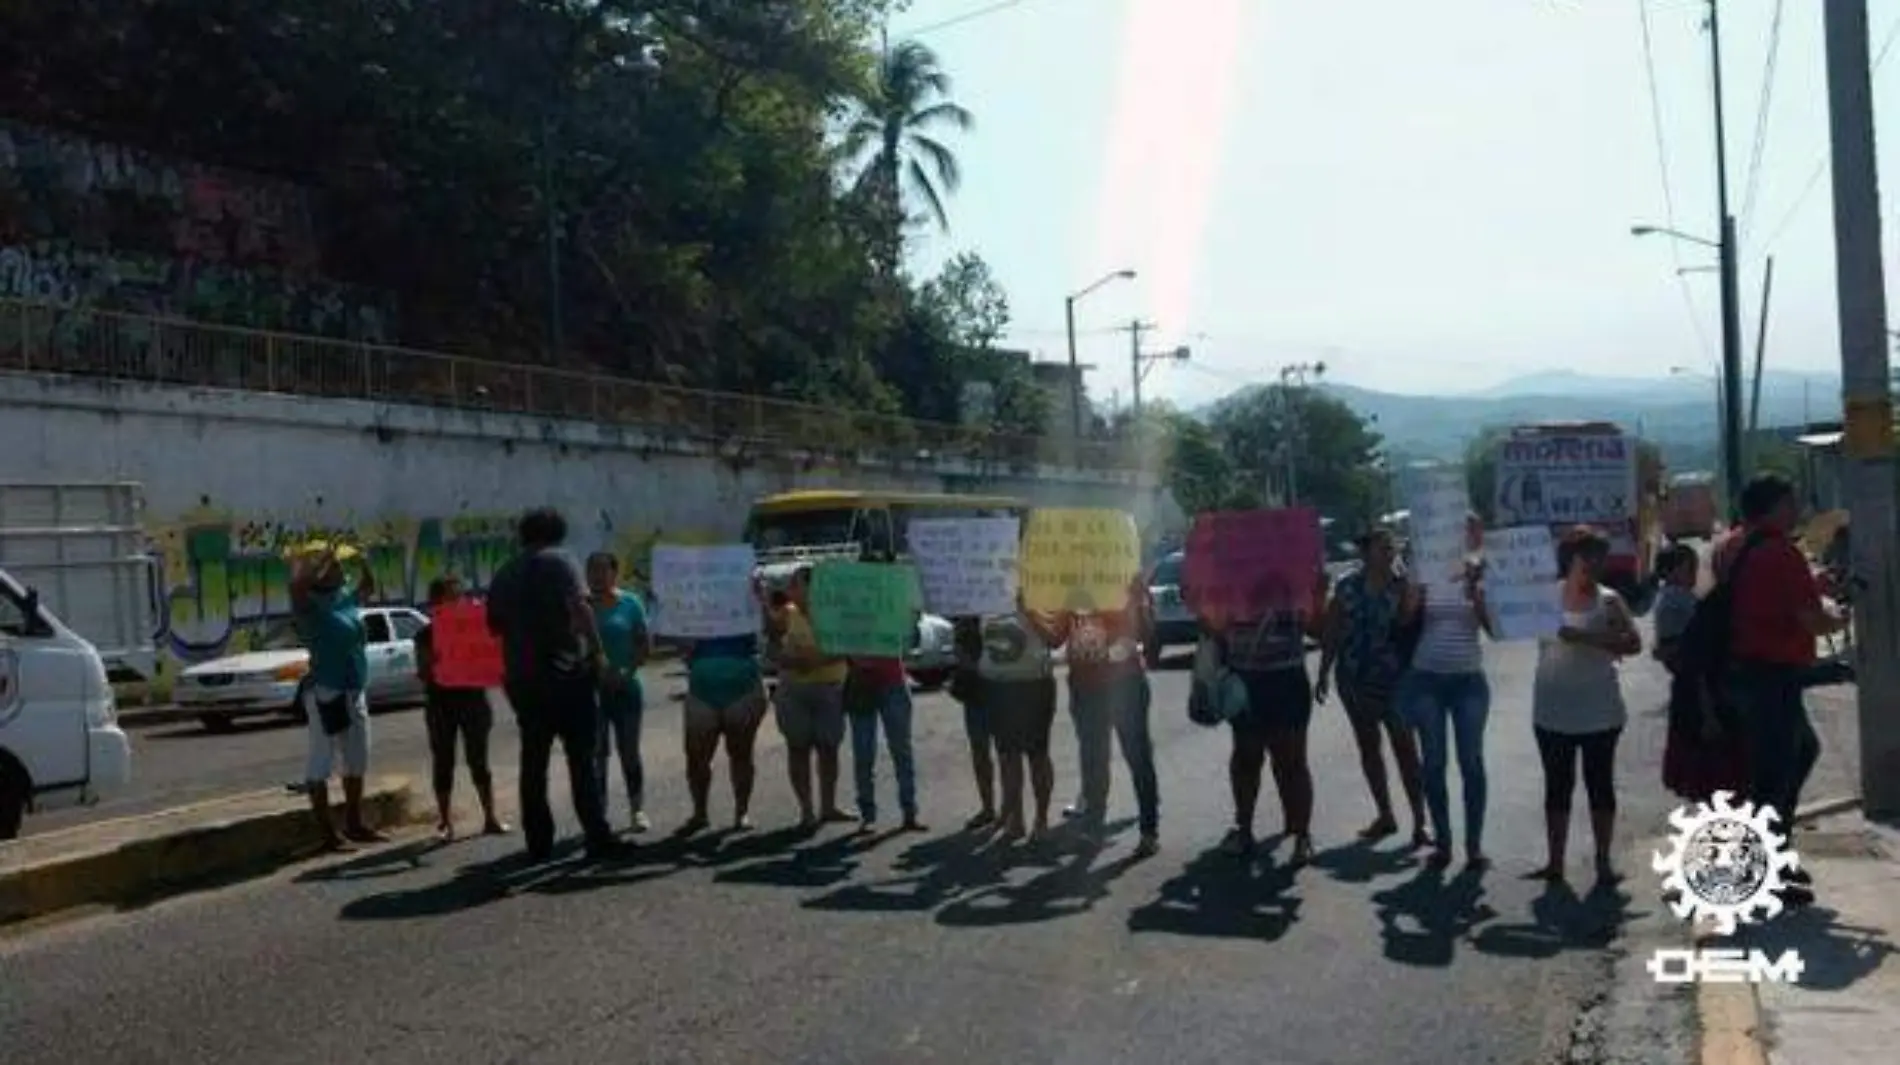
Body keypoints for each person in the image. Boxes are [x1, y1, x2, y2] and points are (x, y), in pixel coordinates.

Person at [1719, 474, 1848, 905]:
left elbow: (1766, 599)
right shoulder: (1780, 551)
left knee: (1792, 757)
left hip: (1742, 673)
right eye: (1791, 503)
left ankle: (1772, 854)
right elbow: (1811, 620)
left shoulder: (1735, 544)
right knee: (1774, 774)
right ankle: (1763, 873)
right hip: (1771, 676)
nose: (1797, 511)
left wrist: (1813, 588)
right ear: (1774, 506)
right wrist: (1841, 618)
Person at [485, 508, 624, 862]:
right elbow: (579, 606)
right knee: (582, 759)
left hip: (522, 679)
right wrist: (597, 652)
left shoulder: (504, 572)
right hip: (566, 674)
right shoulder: (561, 561)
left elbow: (494, 626)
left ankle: (538, 842)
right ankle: (597, 835)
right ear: (557, 533)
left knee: (534, 761)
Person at [1528, 527, 1640, 885]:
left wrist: (1586, 638)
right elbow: (1503, 625)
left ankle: (1603, 860)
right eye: (1586, 556)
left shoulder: (1609, 601)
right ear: (1570, 559)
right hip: (1552, 710)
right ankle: (1555, 862)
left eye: (1599, 557)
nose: (1593, 564)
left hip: (1599, 711)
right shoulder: (1544, 598)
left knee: (1599, 784)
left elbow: (1633, 643)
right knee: (1557, 787)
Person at [1201, 571, 1327, 866]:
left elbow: (1317, 629)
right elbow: (1214, 628)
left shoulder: (1295, 578)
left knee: (1292, 761)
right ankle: (1244, 829)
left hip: (1287, 678)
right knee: (1246, 757)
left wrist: (1317, 598)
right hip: (1246, 679)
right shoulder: (1231, 579)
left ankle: (1302, 835)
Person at [1030, 576, 1161, 857]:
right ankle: (1093, 829)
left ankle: (1149, 831)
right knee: (1093, 760)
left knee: (1137, 756)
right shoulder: (1071, 590)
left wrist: (1139, 603)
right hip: (1085, 688)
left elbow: (1146, 635)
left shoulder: (1124, 577)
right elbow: (1055, 639)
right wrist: (1032, 613)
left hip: (1125, 685)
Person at [1395, 511, 1496, 871]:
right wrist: (1416, 590)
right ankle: (1443, 842)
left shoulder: (1484, 573)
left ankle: (1473, 846)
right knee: (1434, 764)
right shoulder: (1425, 568)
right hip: (1427, 679)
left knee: (1472, 763)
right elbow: (1405, 619)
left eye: (1472, 530)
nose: (1466, 536)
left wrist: (1477, 594)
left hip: (1469, 680)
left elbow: (1496, 630)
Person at [1317, 528, 1428, 848]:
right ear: (1365, 552)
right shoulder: (1347, 586)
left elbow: (1409, 624)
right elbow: (1333, 629)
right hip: (1354, 678)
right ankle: (1385, 814)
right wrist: (1323, 672)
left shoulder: (1402, 586)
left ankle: (1421, 821)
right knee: (1369, 747)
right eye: (1383, 548)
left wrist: (1414, 594)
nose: (1390, 554)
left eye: (1392, 548)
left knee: (1406, 750)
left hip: (1396, 680)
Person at [290, 543, 387, 851]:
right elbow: (297, 586)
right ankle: (328, 835)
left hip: (353, 686)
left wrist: (363, 561)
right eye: (335, 567)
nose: (340, 570)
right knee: (322, 761)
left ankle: (355, 823)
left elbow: (367, 587)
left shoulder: (342, 598)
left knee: (357, 758)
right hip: (326, 690)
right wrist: (318, 562)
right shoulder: (309, 605)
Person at [413, 575, 506, 840]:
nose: (458, 601)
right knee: (444, 761)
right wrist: (441, 659)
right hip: (441, 704)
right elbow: (423, 672)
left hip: (473, 701)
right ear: (435, 602)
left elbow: (494, 655)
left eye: (460, 596)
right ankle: (445, 822)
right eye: (451, 596)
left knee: (479, 760)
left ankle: (490, 817)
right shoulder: (425, 635)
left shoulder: (477, 627)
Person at [766, 565, 852, 831]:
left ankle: (829, 806)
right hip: (794, 690)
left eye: (796, 584)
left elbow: (848, 646)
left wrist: (815, 660)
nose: (790, 590)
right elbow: (771, 647)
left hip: (830, 687)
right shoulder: (785, 615)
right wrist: (790, 660)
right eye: (791, 585)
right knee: (798, 748)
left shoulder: (836, 614)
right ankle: (806, 810)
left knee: (829, 749)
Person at [845, 551, 924, 833]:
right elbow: (836, 636)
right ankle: (868, 813)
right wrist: (854, 657)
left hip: (892, 680)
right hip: (862, 683)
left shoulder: (895, 601)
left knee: (901, 749)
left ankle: (909, 811)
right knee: (864, 752)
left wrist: (912, 611)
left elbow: (912, 637)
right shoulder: (848, 603)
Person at [973, 607, 1059, 841]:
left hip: (1034, 685)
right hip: (998, 687)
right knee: (1008, 757)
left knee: (1037, 756)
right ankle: (1015, 819)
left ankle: (1041, 819)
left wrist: (1030, 612)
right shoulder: (983, 591)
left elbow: (1055, 639)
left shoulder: (1041, 590)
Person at [680, 607, 768, 834]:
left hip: (743, 686)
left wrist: (762, 602)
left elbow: (770, 628)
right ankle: (700, 813)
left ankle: (742, 812)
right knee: (696, 757)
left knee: (741, 753)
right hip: (702, 688)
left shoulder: (748, 593)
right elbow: (678, 642)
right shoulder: (693, 596)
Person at [586, 552, 651, 833]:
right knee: (597, 755)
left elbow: (643, 644)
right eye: (592, 571)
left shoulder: (631, 603)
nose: (597, 576)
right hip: (592, 693)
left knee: (629, 752)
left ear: (615, 573)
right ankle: (599, 814)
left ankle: (637, 809)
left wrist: (628, 671)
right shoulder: (582, 606)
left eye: (602, 570)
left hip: (627, 689)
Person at [950, 616, 1000, 830]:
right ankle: (988, 808)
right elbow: (959, 650)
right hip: (976, 691)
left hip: (1002, 686)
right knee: (981, 752)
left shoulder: (998, 611)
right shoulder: (964, 616)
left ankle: (1007, 809)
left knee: (1007, 754)